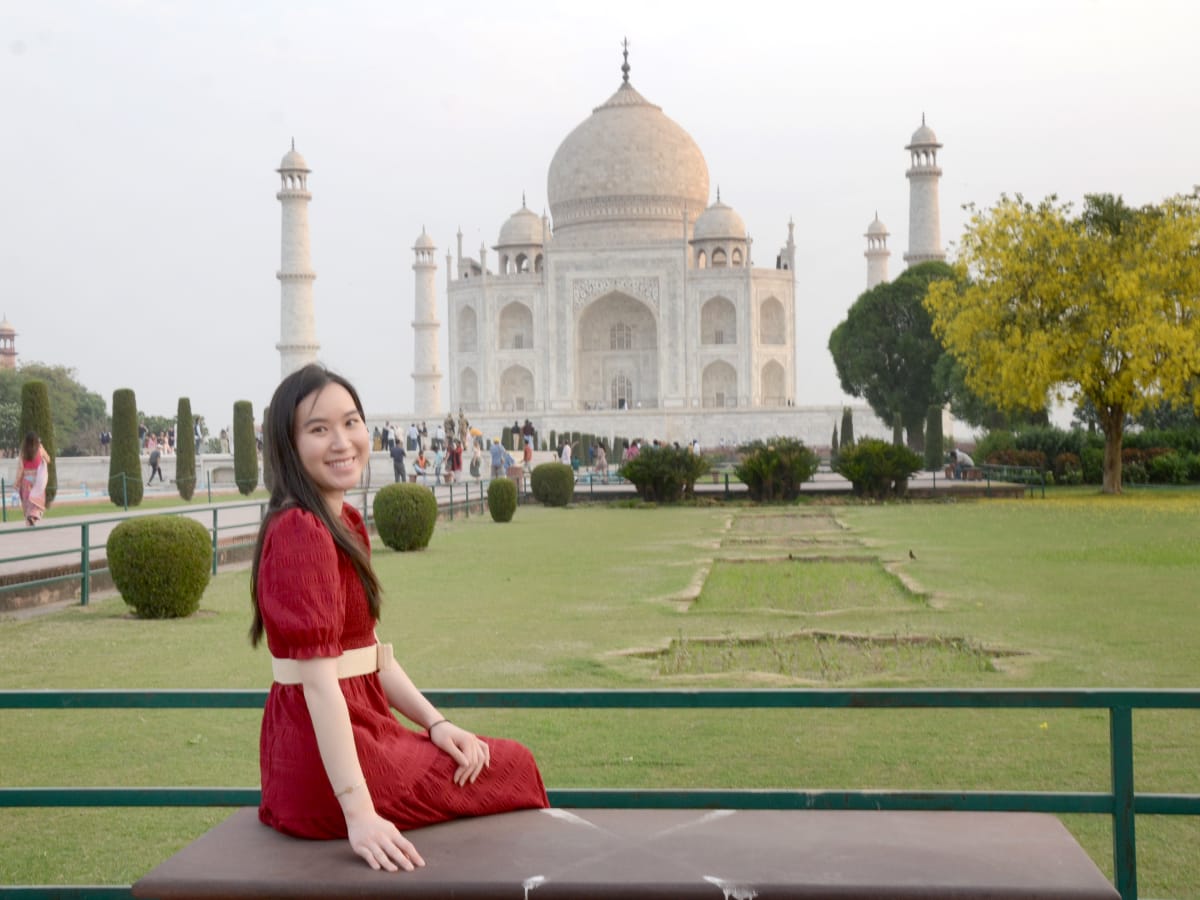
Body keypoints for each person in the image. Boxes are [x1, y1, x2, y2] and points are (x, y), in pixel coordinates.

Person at [248, 364, 547, 872]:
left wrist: (435, 724)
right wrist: (359, 814)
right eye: (319, 429)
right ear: (288, 445)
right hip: (329, 768)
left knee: (487, 757)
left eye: (351, 422)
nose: (343, 442)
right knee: (514, 766)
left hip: (352, 737)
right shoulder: (302, 531)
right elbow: (320, 685)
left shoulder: (340, 522)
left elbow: (370, 655)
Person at [16, 432, 51, 526]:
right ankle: (32, 517)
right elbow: (48, 459)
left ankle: (29, 521)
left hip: (26, 480)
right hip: (37, 480)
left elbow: (20, 469)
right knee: (37, 501)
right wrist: (42, 450)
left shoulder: (23, 452)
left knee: (28, 502)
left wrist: (17, 482)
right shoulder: (40, 449)